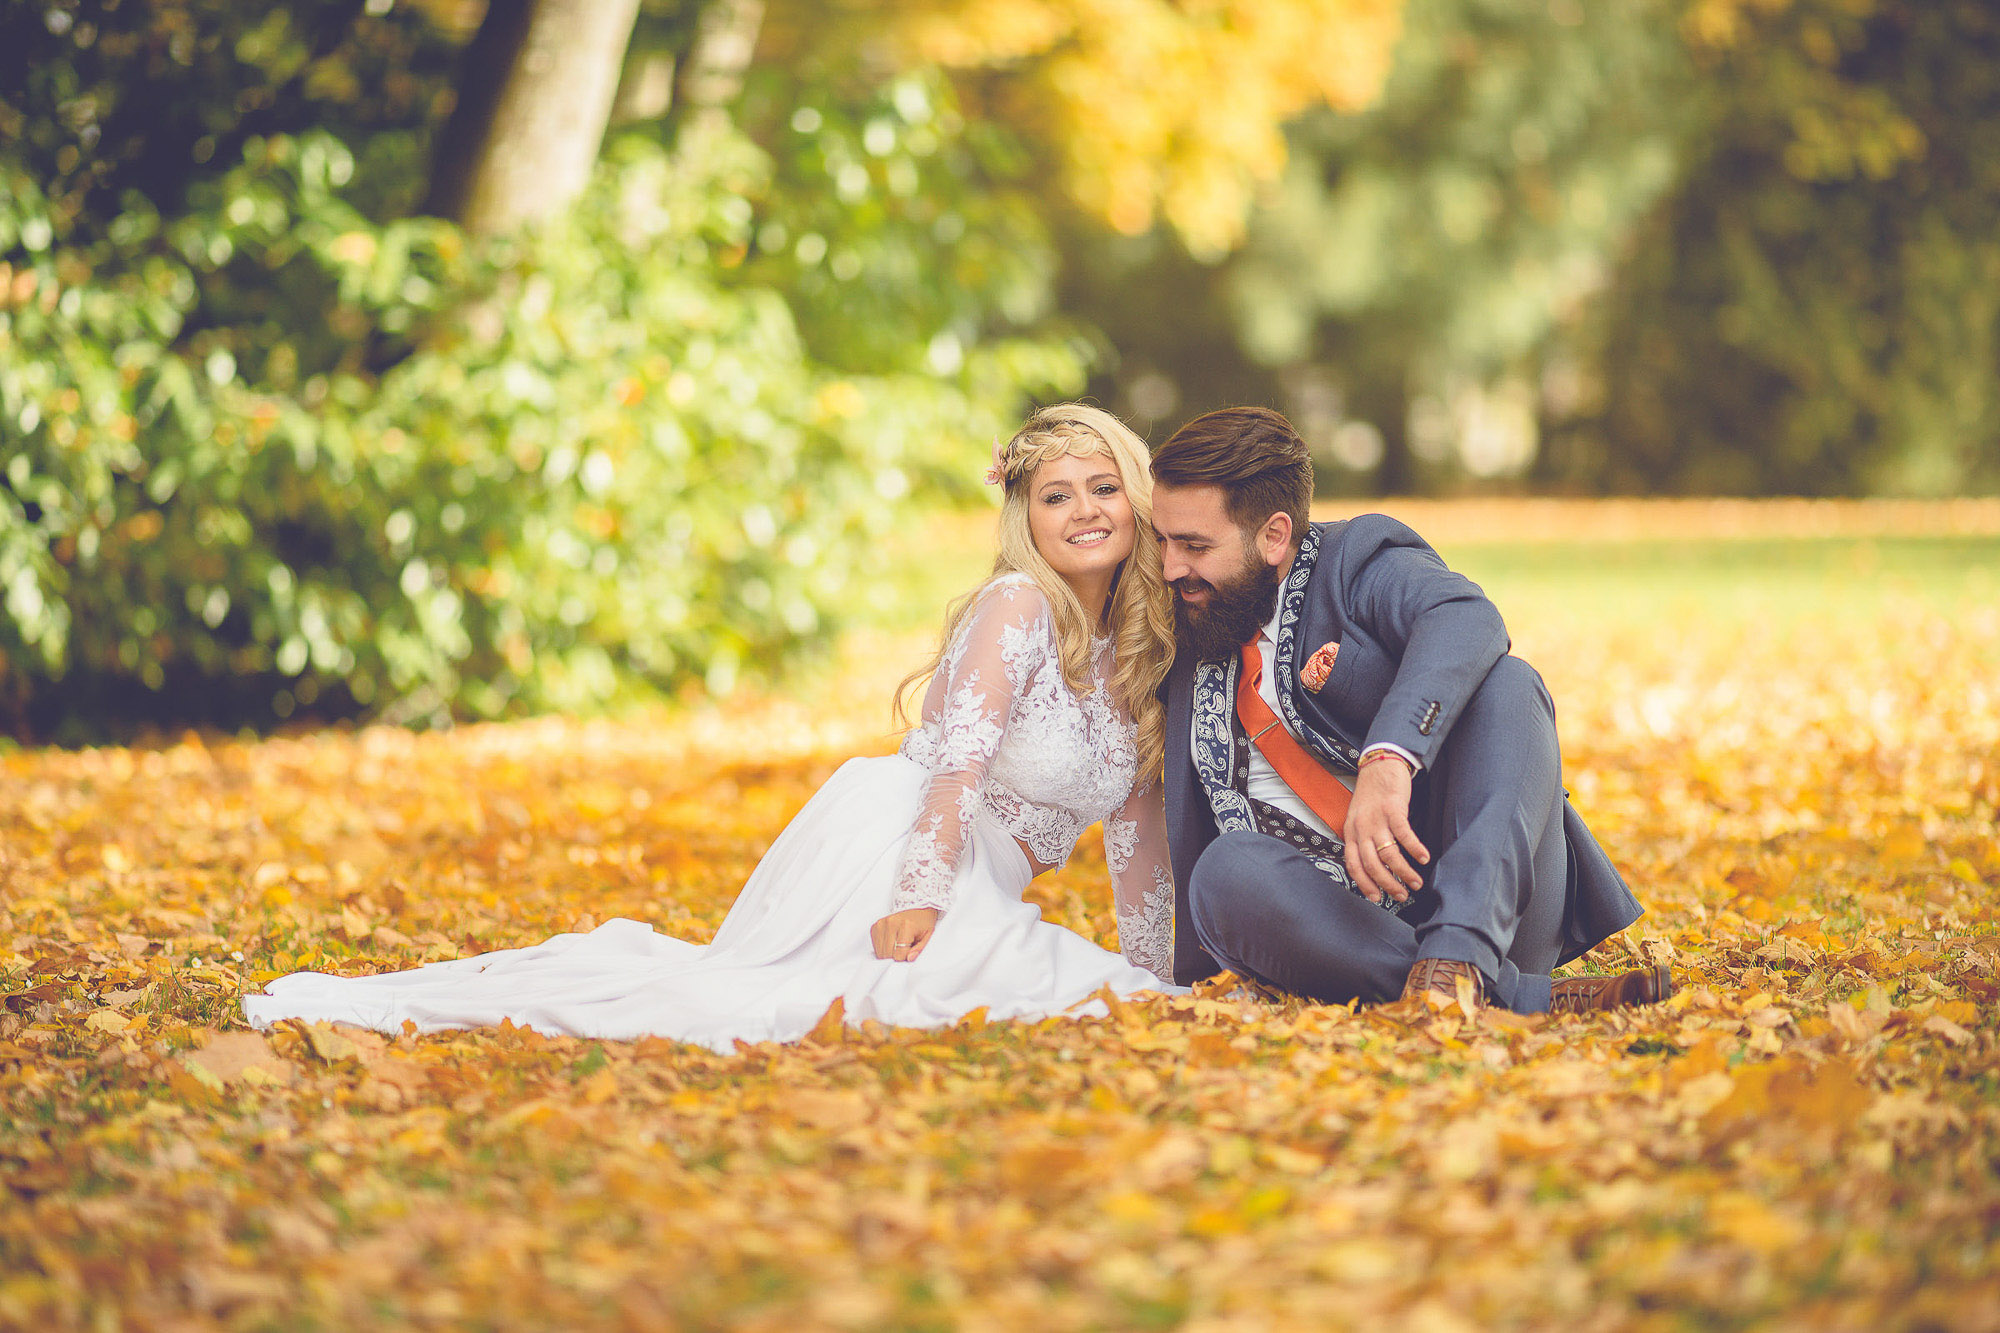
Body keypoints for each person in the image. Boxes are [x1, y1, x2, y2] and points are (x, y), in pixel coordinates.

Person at [242, 405, 1182, 1050]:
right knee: (967, 990)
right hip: (905, 845)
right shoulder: (1016, 605)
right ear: (1027, 515)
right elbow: (954, 775)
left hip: (982, 868)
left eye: (1103, 488)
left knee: (1095, 989)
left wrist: (1164, 972)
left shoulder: (1141, 651)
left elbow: (1138, 835)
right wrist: (919, 899)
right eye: (1056, 495)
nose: (1085, 511)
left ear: (1134, 500)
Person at [1148, 405, 1671, 1015]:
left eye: (1193, 546)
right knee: (1224, 871)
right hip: (1324, 932)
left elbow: (1466, 618)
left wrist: (1389, 759)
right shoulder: (1181, 624)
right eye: (1161, 540)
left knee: (1509, 684)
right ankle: (1508, 997)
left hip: (1488, 901)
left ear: (1273, 536)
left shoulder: (1355, 561)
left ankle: (1463, 956)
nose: (1168, 567)